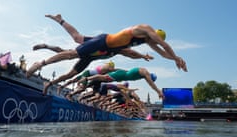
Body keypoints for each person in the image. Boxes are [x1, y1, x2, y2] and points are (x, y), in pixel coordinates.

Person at [27, 14, 187, 95]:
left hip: (101, 51)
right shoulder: (144, 29)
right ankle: (41, 63)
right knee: (70, 53)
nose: (154, 43)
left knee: (72, 67)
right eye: (155, 40)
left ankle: (51, 83)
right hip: (102, 42)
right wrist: (177, 57)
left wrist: (173, 58)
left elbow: (158, 52)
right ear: (154, 34)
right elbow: (164, 45)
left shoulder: (146, 41)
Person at [82, 67, 164, 98]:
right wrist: (158, 91)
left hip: (121, 76)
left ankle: (87, 81)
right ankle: (87, 78)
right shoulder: (145, 71)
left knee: (103, 79)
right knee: (103, 78)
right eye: (149, 79)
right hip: (120, 75)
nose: (148, 80)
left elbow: (128, 72)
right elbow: (151, 84)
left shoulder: (142, 75)